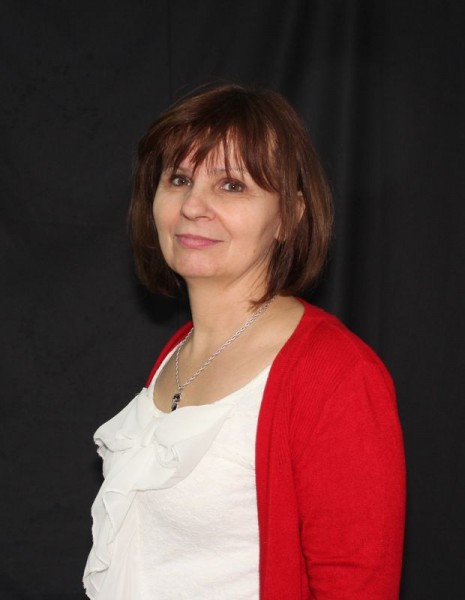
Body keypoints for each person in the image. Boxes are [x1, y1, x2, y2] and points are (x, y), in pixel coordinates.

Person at [83, 83, 406, 599]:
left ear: (290, 216)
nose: (193, 206)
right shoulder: (178, 353)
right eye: (179, 179)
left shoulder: (337, 375)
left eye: (231, 185)